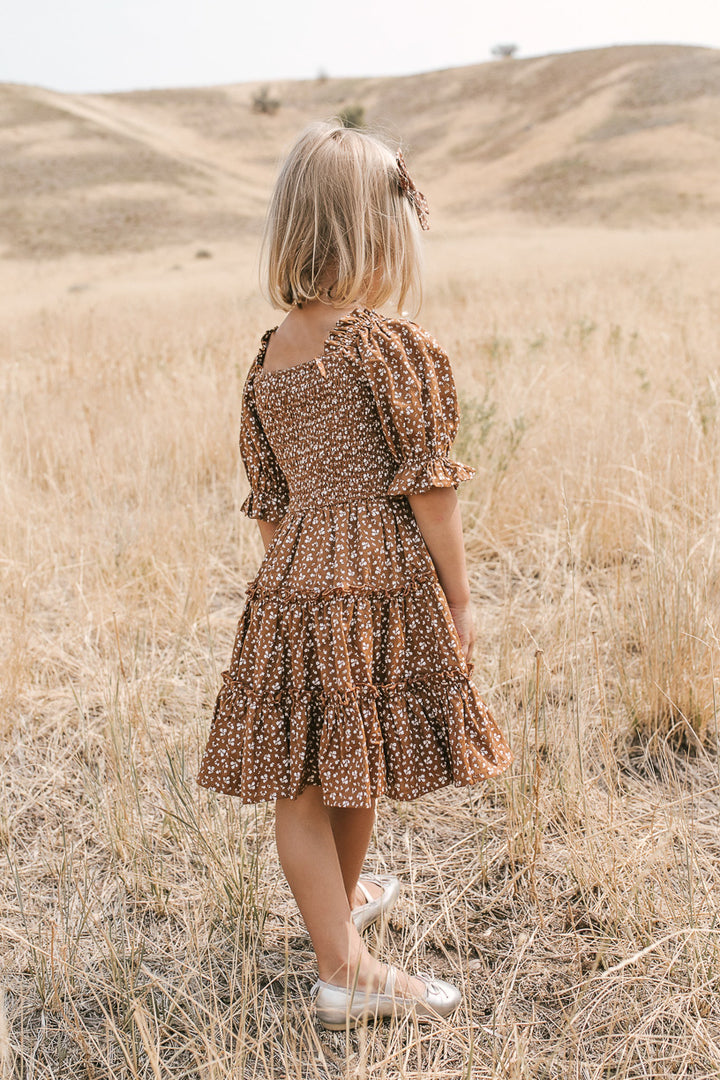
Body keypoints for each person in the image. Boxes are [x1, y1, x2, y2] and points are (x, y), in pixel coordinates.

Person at [196, 119, 514, 1031]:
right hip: (378, 577)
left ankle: (340, 898)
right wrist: (456, 595)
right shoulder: (386, 347)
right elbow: (429, 487)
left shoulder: (270, 357)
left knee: (310, 768)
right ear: (379, 233)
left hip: (293, 582)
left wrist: (302, 577)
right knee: (349, 757)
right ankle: (345, 970)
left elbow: (268, 500)